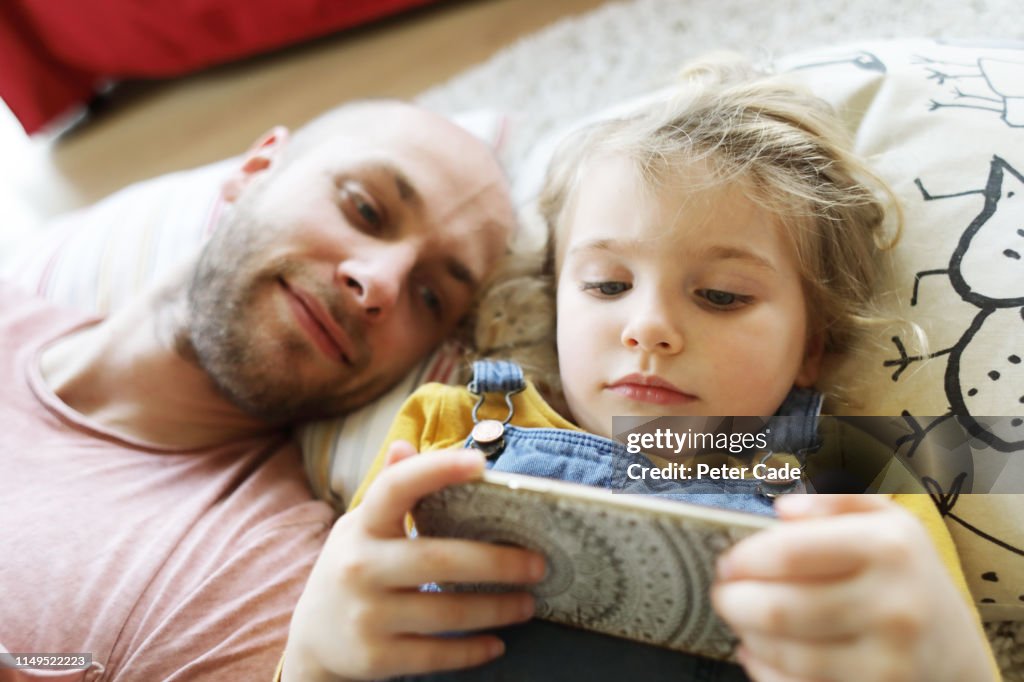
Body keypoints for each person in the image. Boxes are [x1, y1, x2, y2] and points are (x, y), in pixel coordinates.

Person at [291, 58, 998, 681]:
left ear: (812, 346)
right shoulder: (448, 427)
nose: (649, 328)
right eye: (605, 285)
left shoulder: (852, 478)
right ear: (555, 302)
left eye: (721, 296)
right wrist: (314, 658)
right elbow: (344, 627)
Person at [0, 100, 521, 681]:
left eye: (430, 298)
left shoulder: (250, 574)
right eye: (365, 209)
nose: (380, 283)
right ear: (256, 169)